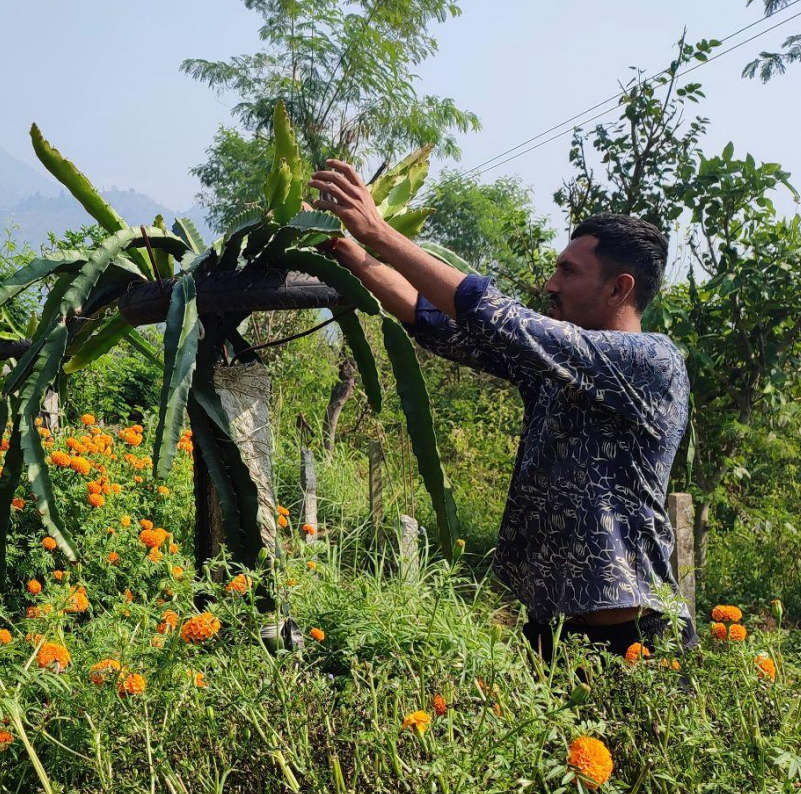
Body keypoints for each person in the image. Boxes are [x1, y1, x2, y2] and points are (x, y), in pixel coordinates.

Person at [308, 159, 699, 662]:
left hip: (635, 635)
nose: (551, 284)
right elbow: (439, 323)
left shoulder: (650, 361)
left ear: (619, 288)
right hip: (553, 632)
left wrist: (378, 233)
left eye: (568, 271)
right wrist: (348, 252)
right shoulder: (557, 367)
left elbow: (500, 317)